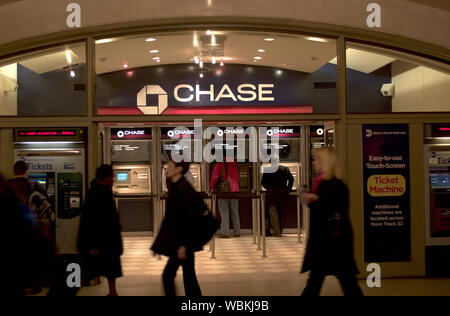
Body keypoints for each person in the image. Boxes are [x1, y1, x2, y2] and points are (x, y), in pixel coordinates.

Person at [300, 148, 363, 296]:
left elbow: (331, 209)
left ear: (325, 162)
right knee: (318, 281)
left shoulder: (336, 186)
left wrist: (315, 200)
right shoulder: (321, 183)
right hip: (327, 242)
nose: (314, 162)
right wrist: (313, 199)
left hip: (332, 243)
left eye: (317, 159)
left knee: (345, 282)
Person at [151, 158, 207, 296]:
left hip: (183, 244)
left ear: (179, 169)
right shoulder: (177, 187)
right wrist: (158, 245)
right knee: (189, 277)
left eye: (170, 165)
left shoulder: (183, 190)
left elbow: (188, 219)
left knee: (168, 276)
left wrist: (183, 245)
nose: (167, 168)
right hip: (182, 243)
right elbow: (170, 220)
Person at [78, 164, 123, 296]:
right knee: (89, 270)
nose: (113, 179)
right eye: (112, 177)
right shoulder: (97, 193)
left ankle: (113, 292)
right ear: (106, 177)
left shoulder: (100, 191)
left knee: (109, 269)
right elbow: (91, 221)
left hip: (106, 241)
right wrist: (93, 245)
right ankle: (69, 289)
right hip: (101, 243)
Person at [261, 156, 294, 237]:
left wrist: (269, 188)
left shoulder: (267, 170)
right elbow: (291, 179)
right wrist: (288, 189)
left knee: (273, 212)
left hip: (271, 194)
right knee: (280, 212)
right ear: (278, 160)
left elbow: (263, 182)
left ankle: (276, 232)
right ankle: (279, 230)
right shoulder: (285, 169)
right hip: (282, 194)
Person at [210, 160, 240, 238]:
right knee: (235, 211)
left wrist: (212, 187)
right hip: (235, 190)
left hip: (224, 191)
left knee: (224, 212)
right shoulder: (235, 164)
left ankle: (225, 232)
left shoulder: (220, 164)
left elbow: (214, 177)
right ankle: (237, 232)